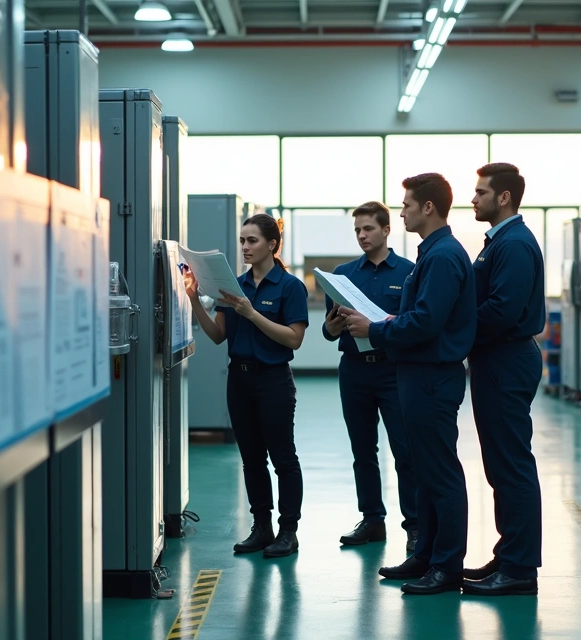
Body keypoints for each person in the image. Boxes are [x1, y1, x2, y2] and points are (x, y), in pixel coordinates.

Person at [339, 173, 476, 596]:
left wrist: (376, 328)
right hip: (417, 374)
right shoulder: (433, 252)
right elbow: (420, 317)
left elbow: (426, 322)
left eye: (406, 206)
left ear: (428, 207)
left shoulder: (442, 256)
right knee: (428, 473)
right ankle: (427, 555)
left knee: (440, 474)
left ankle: (447, 566)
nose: (401, 213)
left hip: (432, 376)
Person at [185, 214, 309, 558]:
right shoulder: (232, 285)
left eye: (252, 240)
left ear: (272, 244)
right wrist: (194, 300)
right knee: (252, 459)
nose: (245, 247)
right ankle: (261, 527)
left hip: (273, 381)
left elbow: (294, 339)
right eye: (242, 241)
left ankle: (288, 531)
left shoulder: (290, 287)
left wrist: (251, 313)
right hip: (239, 380)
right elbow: (218, 335)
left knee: (283, 458)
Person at [460, 162, 544, 597]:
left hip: (506, 358)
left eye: (480, 192)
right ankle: (509, 553)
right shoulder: (500, 241)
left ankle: (519, 569)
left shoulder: (512, 244)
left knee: (511, 465)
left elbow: (502, 310)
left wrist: (453, 331)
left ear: (504, 197)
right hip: (496, 358)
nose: (473, 199)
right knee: (499, 465)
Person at [322, 201, 419, 553]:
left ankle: (415, 525)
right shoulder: (343, 275)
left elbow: (414, 324)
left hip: (394, 370)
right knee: (362, 450)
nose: (362, 236)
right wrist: (332, 328)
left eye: (368, 229)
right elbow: (329, 329)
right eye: (357, 230)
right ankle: (372, 520)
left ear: (386, 230)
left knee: (405, 450)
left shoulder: (409, 272)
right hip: (354, 371)